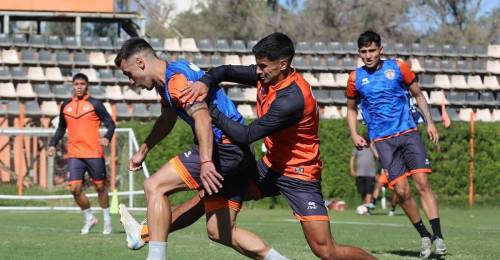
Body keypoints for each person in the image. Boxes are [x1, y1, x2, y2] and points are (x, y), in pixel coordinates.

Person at [183, 32, 375, 260]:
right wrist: (204, 82)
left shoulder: (291, 99)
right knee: (212, 195)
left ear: (283, 64)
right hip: (270, 167)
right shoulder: (266, 75)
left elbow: (245, 135)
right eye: (257, 65)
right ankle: (151, 233)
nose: (257, 71)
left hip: (300, 175)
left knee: (326, 251)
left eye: (262, 66)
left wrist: (209, 111)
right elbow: (223, 71)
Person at [114, 38, 286, 260]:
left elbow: (203, 119)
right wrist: (144, 149)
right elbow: (167, 118)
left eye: (129, 74)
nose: (131, 81)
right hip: (238, 149)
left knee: (154, 186)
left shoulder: (176, 82)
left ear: (140, 62)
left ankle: (154, 254)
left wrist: (206, 162)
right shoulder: (169, 77)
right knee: (220, 231)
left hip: (224, 148)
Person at [346, 30, 447, 258]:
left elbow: (419, 95)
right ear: (359, 53)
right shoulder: (355, 78)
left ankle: (439, 236)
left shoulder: (398, 67)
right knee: (401, 191)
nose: (368, 55)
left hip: (408, 132)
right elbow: (351, 109)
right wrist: (354, 133)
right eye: (364, 52)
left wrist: (430, 122)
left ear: (381, 49)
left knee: (422, 182)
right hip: (383, 141)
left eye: (372, 50)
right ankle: (424, 235)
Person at [48, 73, 116, 235]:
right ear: (72, 85)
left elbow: (111, 124)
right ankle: (89, 218)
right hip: (75, 154)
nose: (79, 86)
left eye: (82, 84)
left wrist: (107, 137)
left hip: (94, 153)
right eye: (76, 84)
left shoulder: (95, 104)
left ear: (87, 86)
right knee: (74, 188)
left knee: (100, 187)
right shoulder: (65, 106)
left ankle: (107, 220)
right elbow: (61, 128)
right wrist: (52, 144)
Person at [349, 134, 377, 212]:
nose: (367, 142)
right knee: (362, 192)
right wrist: (352, 169)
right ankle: (364, 207)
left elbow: (377, 157)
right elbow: (352, 159)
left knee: (369, 191)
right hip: (360, 173)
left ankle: (367, 209)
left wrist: (372, 147)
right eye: (366, 140)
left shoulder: (373, 148)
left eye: (369, 140)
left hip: (371, 174)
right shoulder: (358, 147)